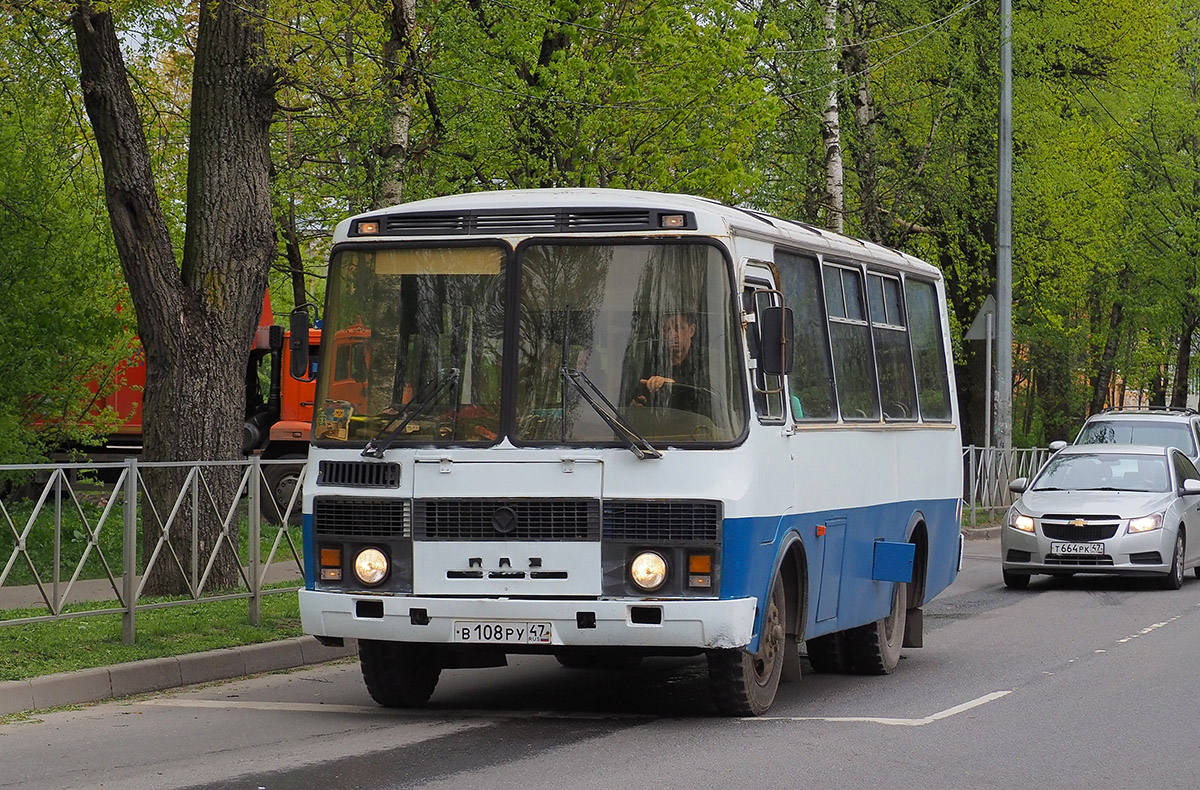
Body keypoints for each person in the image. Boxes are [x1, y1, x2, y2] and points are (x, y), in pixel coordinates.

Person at [629, 312, 711, 415]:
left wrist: (672, 383)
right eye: (666, 330)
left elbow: (707, 392)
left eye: (677, 328)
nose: (671, 335)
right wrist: (636, 404)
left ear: (691, 330)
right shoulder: (653, 362)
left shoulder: (706, 359)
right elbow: (636, 390)